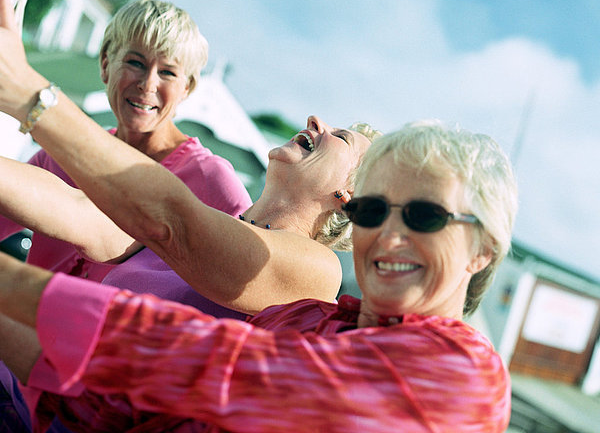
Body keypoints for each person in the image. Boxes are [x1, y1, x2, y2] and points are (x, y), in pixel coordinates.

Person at [0, 0, 380, 430]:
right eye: (135, 63)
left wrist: (28, 93)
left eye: (339, 136)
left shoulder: (318, 270)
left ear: (348, 196)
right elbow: (85, 213)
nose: (317, 120)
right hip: (38, 390)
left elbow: (169, 222)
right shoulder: (216, 223)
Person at [0, 120, 518, 432]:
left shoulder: (316, 268)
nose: (390, 233)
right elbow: (91, 217)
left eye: (425, 216)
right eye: (375, 210)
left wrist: (35, 101)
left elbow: (203, 354)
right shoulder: (314, 319)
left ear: (483, 251)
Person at [0, 0, 254, 432]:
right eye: (135, 62)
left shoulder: (216, 184)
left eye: (169, 72)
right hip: (18, 378)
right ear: (105, 64)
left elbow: (237, 304)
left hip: (102, 407)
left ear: (189, 88)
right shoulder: (60, 154)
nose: (148, 83)